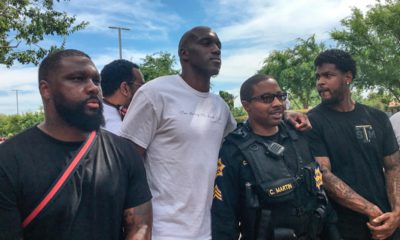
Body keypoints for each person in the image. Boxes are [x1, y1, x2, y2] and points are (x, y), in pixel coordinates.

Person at [120, 26, 311, 240]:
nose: (216, 49)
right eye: (206, 43)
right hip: (164, 230)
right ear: (184, 53)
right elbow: (127, 164)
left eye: (218, 45)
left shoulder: (219, 106)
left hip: (210, 229)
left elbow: (247, 135)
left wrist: (283, 114)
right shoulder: (155, 94)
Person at [0, 49, 152, 240]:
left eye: (96, 81)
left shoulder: (124, 153)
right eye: (77, 79)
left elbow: (139, 228)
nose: (93, 88)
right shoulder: (8, 161)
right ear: (45, 90)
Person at [211, 74, 340, 240]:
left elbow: (320, 194)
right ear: (246, 105)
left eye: (280, 96)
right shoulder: (233, 150)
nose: (278, 103)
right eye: (266, 98)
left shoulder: (299, 135)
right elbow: (224, 218)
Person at [307, 49, 400, 240]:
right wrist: (370, 210)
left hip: (388, 220)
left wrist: (397, 212)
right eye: (318, 77)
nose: (320, 82)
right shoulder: (313, 122)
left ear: (347, 77)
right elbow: (323, 174)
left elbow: (393, 166)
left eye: (328, 75)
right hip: (342, 226)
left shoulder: (378, 117)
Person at [100, 59, 144, 135]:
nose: (143, 91)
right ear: (125, 88)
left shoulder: (99, 113)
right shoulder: (115, 129)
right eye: (141, 86)